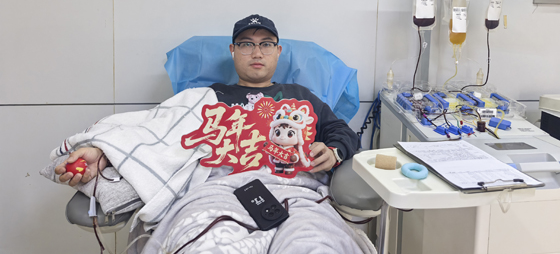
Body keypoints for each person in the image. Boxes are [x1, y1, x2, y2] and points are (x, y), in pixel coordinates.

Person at [55, 15, 373, 254]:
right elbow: (151, 132)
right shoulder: (205, 98)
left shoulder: (302, 97)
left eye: (266, 44)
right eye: (246, 44)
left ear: (278, 52)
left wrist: (334, 150)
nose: (257, 52)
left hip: (299, 195)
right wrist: (102, 151)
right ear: (233, 51)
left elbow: (341, 132)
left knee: (315, 246)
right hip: (218, 194)